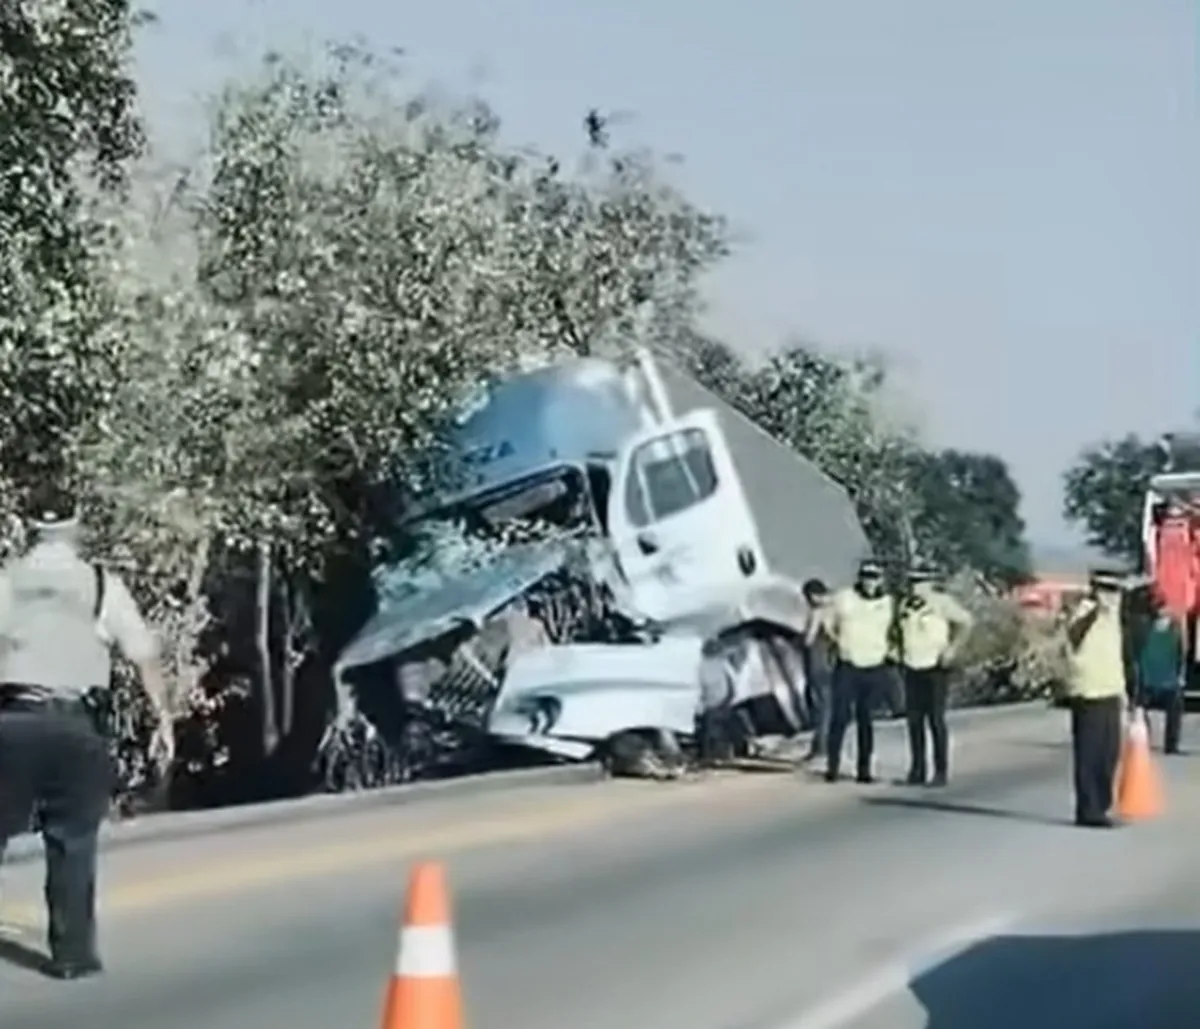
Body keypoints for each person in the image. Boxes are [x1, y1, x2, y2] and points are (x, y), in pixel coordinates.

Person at [0, 483, 170, 978]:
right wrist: (162, 717)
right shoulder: (101, 584)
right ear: (74, 527)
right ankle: (73, 955)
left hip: (11, 721)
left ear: (27, 528)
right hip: (76, 728)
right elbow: (144, 654)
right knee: (73, 843)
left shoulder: (6, 581)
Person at [1061, 568, 1136, 829]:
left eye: (1116, 591)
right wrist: (1093, 610)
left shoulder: (1114, 619)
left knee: (1109, 755)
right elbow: (1074, 636)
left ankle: (1102, 807)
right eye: (1109, 591)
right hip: (1088, 692)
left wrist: (1125, 693)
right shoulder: (1082, 612)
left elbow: (1117, 657)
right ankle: (1088, 810)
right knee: (1089, 755)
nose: (1114, 597)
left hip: (1110, 691)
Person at [896, 564, 975, 787]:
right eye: (911, 581)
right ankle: (917, 769)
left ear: (930, 582)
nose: (914, 586)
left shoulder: (941, 603)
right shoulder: (904, 605)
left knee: (936, 720)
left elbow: (967, 622)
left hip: (935, 667)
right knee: (914, 722)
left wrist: (952, 649)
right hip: (912, 665)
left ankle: (940, 771)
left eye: (919, 581)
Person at [824, 558, 896, 784]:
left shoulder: (887, 602)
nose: (870, 581)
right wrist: (837, 641)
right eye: (866, 576)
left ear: (881, 579)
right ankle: (832, 766)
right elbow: (827, 622)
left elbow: (894, 629)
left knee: (866, 719)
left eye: (874, 576)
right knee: (840, 717)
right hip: (848, 664)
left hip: (874, 665)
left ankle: (864, 769)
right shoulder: (844, 598)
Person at [1135, 596, 1186, 755]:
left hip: (1161, 684)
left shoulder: (1171, 630)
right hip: (1152, 684)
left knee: (1174, 704)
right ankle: (1149, 743)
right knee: (1141, 708)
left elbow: (1180, 656)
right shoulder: (1147, 631)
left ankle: (1167, 744)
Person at [800, 578, 837, 764]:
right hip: (830, 663)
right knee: (828, 706)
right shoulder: (835, 610)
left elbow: (809, 639)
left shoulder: (818, 612)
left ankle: (820, 747)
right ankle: (823, 746)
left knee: (821, 707)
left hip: (817, 663)